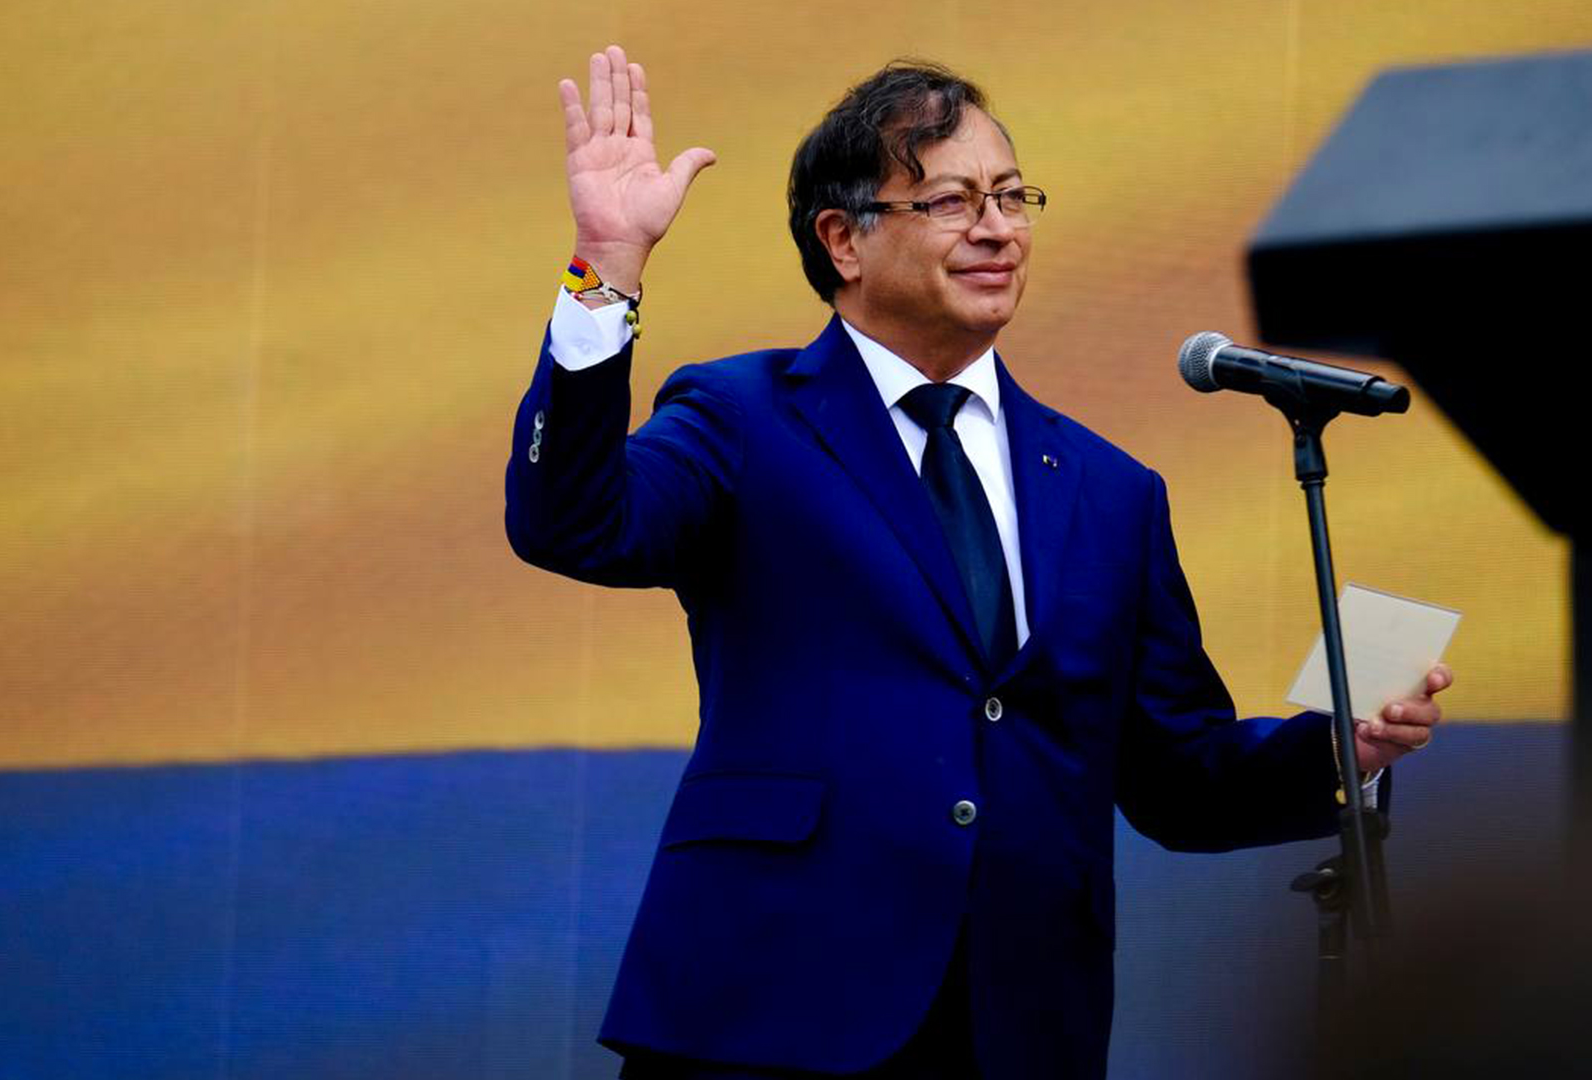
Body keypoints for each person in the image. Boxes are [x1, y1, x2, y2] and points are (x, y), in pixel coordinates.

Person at [506, 45, 1452, 1080]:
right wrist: (606, 268)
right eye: (951, 202)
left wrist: (1339, 749)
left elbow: (1177, 777)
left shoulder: (1110, 490)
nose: (997, 228)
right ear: (844, 239)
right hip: (770, 1008)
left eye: (1012, 197)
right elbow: (575, 523)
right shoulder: (744, 417)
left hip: (1019, 1025)